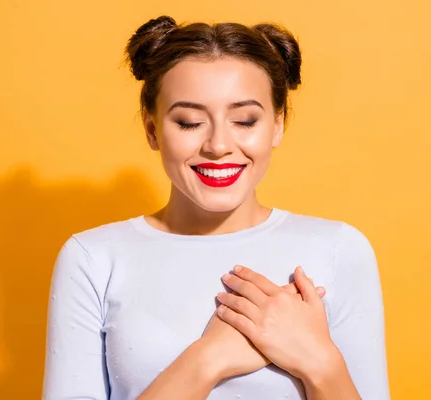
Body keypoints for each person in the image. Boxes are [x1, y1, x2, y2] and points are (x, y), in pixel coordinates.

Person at [42, 15, 389, 400]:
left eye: (244, 120)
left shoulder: (339, 249)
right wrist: (208, 358)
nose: (218, 145)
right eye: (190, 122)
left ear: (277, 125)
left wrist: (320, 363)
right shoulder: (93, 258)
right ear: (153, 130)